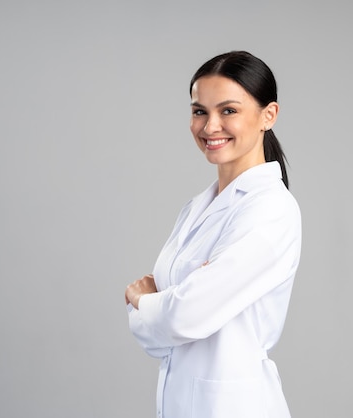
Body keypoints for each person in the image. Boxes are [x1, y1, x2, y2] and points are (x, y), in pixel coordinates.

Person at [125, 50, 302, 418]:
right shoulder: (196, 208)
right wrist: (172, 307)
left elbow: (182, 317)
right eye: (199, 111)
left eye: (229, 111)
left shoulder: (271, 210)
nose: (209, 127)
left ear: (268, 115)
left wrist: (143, 300)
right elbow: (157, 340)